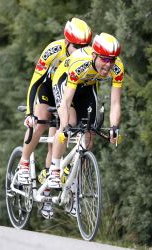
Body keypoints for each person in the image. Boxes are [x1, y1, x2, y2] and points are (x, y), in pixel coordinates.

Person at [17, 17, 92, 218]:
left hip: (69, 93)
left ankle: (50, 190)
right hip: (48, 89)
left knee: (62, 137)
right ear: (67, 42)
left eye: (85, 46)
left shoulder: (88, 58)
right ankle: (24, 162)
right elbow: (35, 81)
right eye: (76, 46)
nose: (80, 50)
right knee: (41, 122)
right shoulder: (53, 50)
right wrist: (30, 114)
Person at [48, 32, 124, 190]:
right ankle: (54, 170)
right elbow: (66, 101)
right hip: (65, 81)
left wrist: (114, 127)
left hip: (87, 86)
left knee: (90, 131)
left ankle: (74, 186)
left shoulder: (118, 68)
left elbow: (116, 102)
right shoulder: (80, 63)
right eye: (104, 59)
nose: (109, 65)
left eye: (112, 59)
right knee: (69, 122)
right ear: (94, 55)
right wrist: (65, 126)